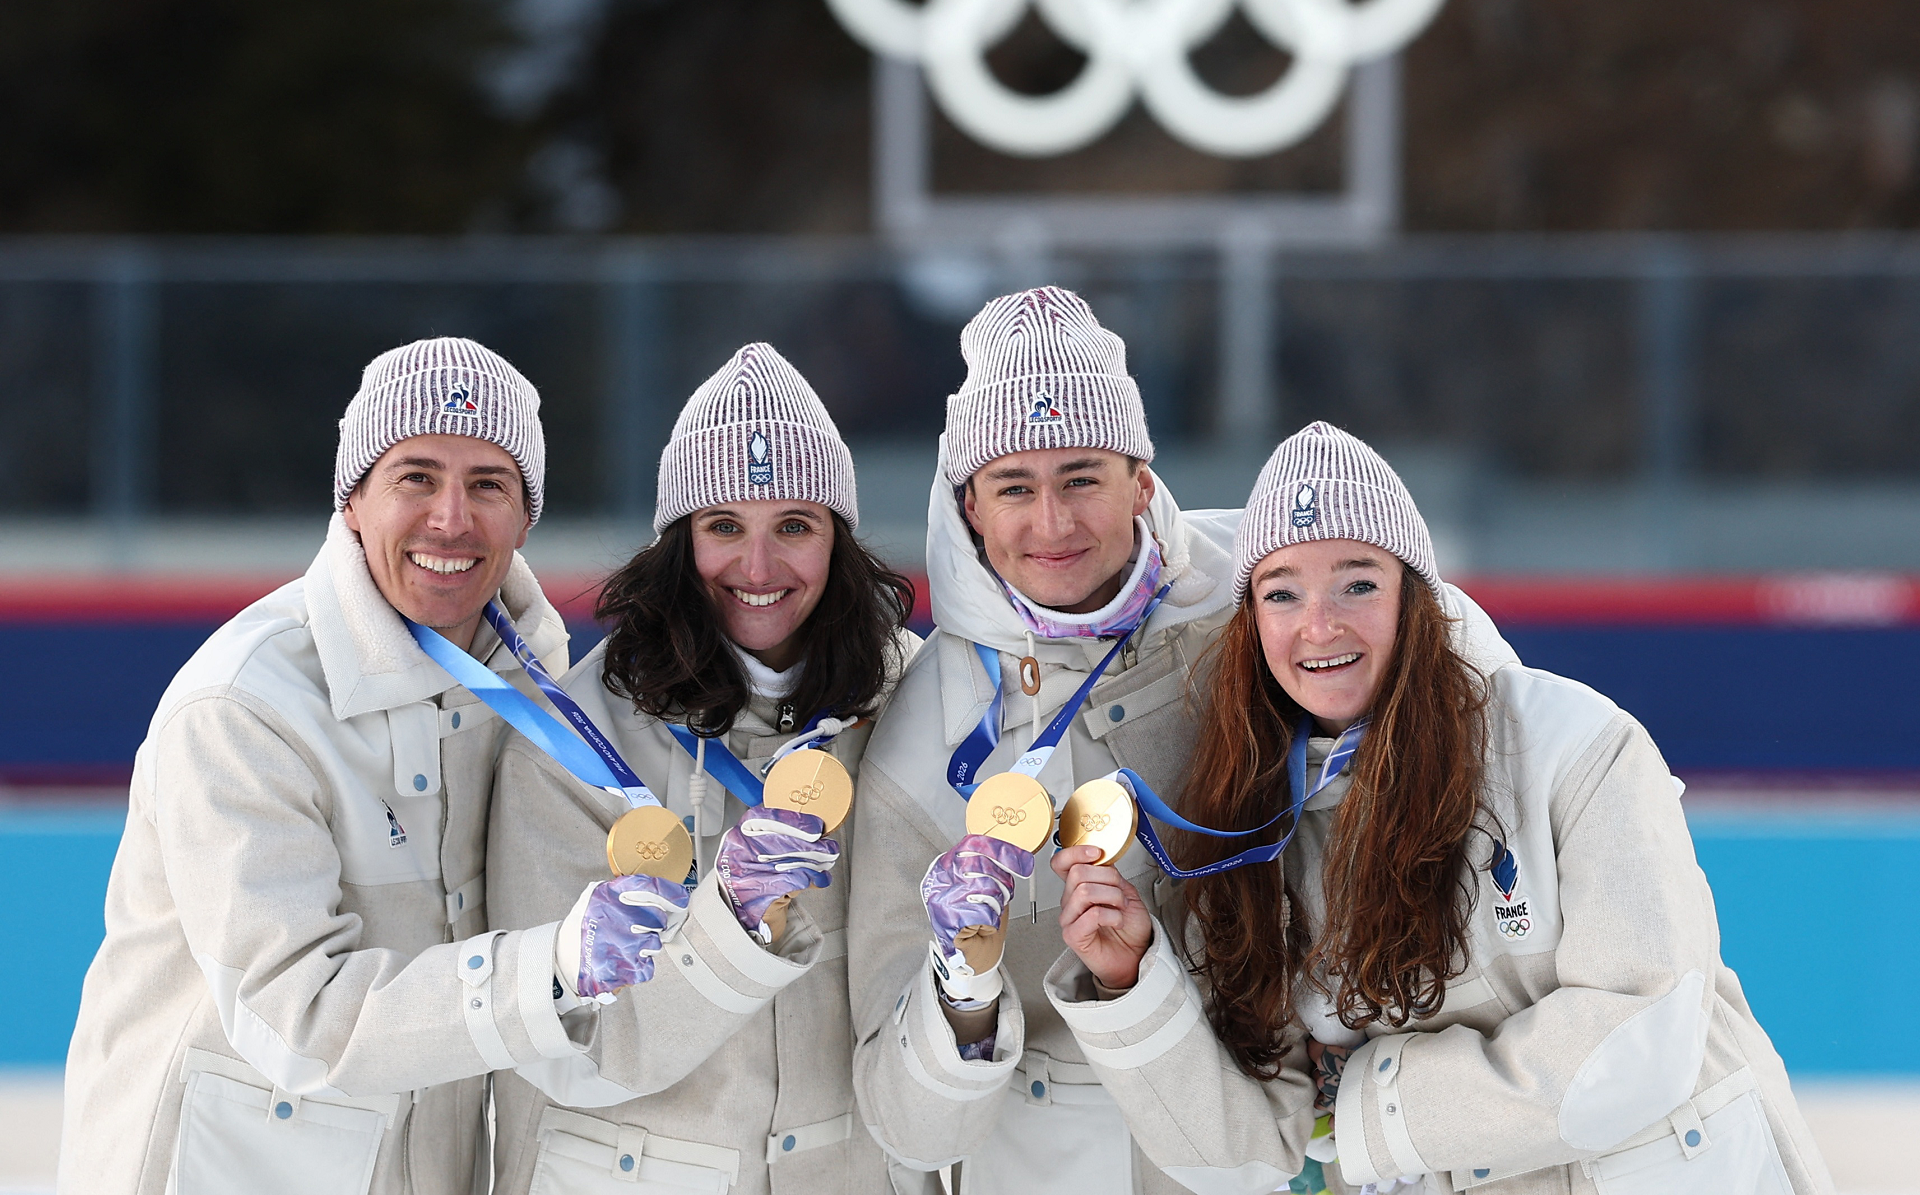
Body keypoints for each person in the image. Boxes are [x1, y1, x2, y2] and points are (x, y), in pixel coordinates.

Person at [1045, 421, 1836, 1195]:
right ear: (1252, 626)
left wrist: (1367, 1102)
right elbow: (1249, 1155)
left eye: (1358, 583)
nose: (1319, 624)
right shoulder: (1248, 829)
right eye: (1281, 593)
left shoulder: (1577, 743)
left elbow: (1640, 1038)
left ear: (1415, 600)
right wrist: (1128, 982)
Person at [61, 338, 674, 1195]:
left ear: (526, 517)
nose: (450, 520)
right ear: (353, 499)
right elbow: (298, 1016)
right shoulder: (243, 707)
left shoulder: (543, 701)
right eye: (415, 477)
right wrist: (554, 964)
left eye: (488, 485)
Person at [487, 341, 920, 1194]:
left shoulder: (913, 697)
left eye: (794, 526)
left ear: (838, 541)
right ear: (678, 543)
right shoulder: (573, 740)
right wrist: (731, 923)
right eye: (724, 527)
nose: (757, 569)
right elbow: (565, 1045)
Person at [848, 286, 1241, 1194]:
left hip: (1261, 1141)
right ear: (970, 507)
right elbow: (904, 1125)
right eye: (1015, 487)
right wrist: (960, 988)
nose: (1053, 523)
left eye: (1082, 478)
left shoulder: (1266, 604)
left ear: (1142, 482)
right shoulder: (920, 735)